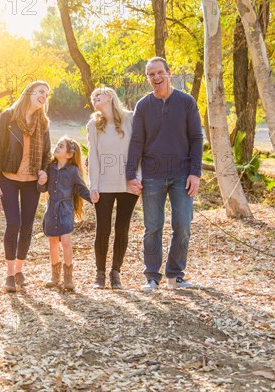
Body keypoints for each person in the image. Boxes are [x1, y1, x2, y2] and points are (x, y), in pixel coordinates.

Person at [125, 57, 203, 291]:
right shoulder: (143, 105)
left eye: (160, 72)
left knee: (183, 226)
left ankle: (175, 275)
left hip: (182, 175)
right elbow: (137, 141)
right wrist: (131, 174)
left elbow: (196, 138)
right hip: (152, 175)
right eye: (151, 75)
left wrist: (195, 173)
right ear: (148, 78)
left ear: (169, 73)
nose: (156, 78)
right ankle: (151, 276)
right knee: (153, 227)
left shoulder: (186, 102)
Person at [0, 80, 51, 292]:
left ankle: (19, 269)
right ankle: (8, 274)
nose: (44, 95)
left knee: (27, 227)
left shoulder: (43, 122)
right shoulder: (9, 116)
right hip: (8, 177)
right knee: (13, 223)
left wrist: (44, 172)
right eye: (40, 91)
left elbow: (47, 154)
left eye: (46, 94)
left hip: (31, 182)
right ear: (29, 93)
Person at [86, 87, 141, 290]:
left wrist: (138, 178)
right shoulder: (93, 125)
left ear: (110, 96)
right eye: (92, 98)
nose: (94, 99)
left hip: (128, 182)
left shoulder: (131, 119)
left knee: (122, 228)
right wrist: (94, 186)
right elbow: (93, 158)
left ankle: (115, 272)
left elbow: (139, 150)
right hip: (104, 184)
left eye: (98, 95)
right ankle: (100, 273)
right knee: (103, 229)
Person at [39, 137, 92, 291]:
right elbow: (42, 189)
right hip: (52, 207)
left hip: (65, 209)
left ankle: (68, 277)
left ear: (69, 155)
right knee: (53, 242)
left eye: (61, 146)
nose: (56, 147)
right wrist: (41, 183)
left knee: (66, 242)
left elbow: (81, 189)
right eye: (57, 145)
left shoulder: (73, 171)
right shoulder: (50, 167)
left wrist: (94, 199)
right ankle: (55, 276)